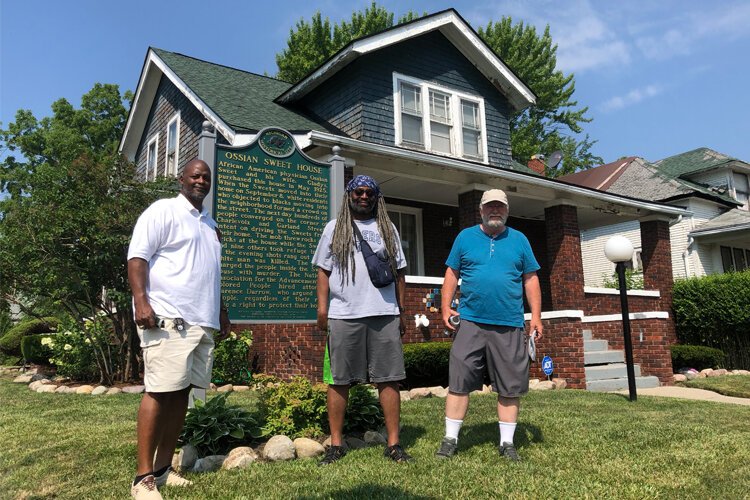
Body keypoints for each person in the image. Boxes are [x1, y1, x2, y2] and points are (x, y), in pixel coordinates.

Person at [127, 159, 230, 499]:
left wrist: (221, 311)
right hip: (167, 319)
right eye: (195, 175)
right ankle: (142, 479)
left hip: (201, 323)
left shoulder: (210, 225)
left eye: (206, 177)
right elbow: (137, 258)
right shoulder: (162, 211)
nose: (201, 181)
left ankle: (162, 470)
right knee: (158, 391)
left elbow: (208, 273)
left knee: (181, 394)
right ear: (181, 179)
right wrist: (141, 301)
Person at [435, 189, 542, 461]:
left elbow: (530, 279)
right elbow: (452, 273)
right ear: (481, 210)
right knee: (459, 380)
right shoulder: (465, 238)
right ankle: (450, 439)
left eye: (500, 207)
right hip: (470, 321)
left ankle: (507, 444)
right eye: (490, 207)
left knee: (509, 385)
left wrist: (537, 317)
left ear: (506, 210)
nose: (495, 211)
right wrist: (446, 306)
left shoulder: (519, 240)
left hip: (509, 323)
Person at [312, 174, 412, 465]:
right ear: (349, 195)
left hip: (384, 313)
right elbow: (323, 271)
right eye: (358, 192)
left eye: (369, 192)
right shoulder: (333, 229)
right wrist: (322, 310)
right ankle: (337, 444)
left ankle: (393, 444)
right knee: (338, 381)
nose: (364, 196)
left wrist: (401, 310)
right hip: (344, 314)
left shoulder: (387, 228)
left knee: (389, 379)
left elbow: (400, 272)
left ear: (376, 197)